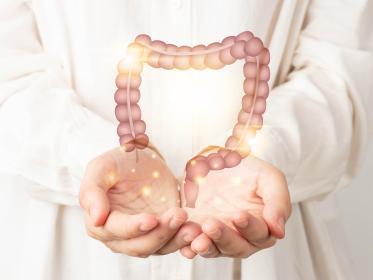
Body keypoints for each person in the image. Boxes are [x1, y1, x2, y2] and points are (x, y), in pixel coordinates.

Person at [0, 0, 372, 279]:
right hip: (61, 254)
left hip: (276, 250)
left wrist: (269, 150)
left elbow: (341, 72)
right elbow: (9, 70)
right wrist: (86, 151)